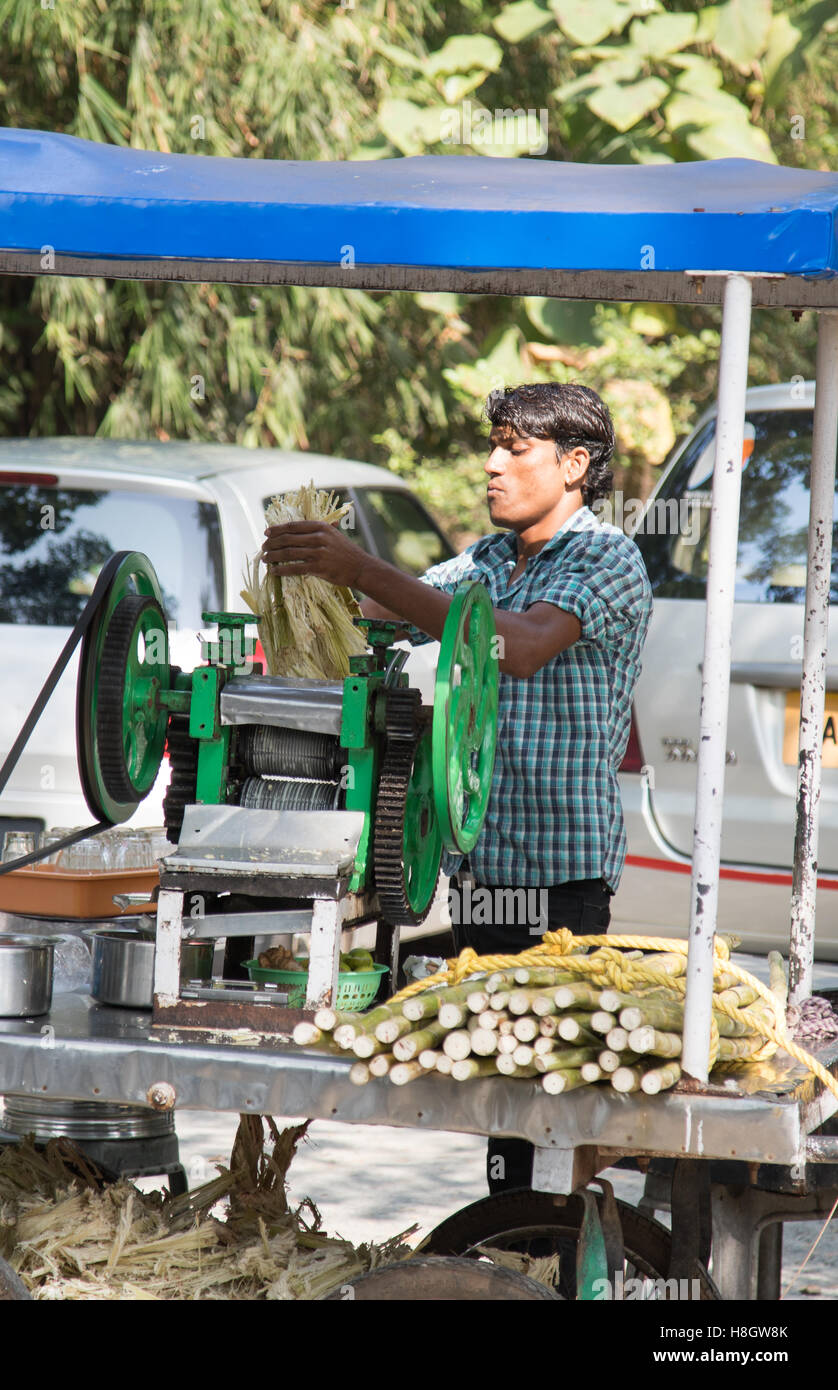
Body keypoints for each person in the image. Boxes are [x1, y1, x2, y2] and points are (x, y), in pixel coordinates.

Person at [261, 382, 653, 1193]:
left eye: (515, 449)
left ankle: (554, 1237)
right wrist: (312, 588)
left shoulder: (607, 556)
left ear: (575, 464)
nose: (492, 465)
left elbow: (521, 645)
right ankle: (515, 1245)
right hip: (478, 872)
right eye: (493, 446)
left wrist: (365, 564)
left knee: (550, 1095)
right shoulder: (480, 563)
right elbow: (385, 609)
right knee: (499, 1100)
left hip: (559, 879)